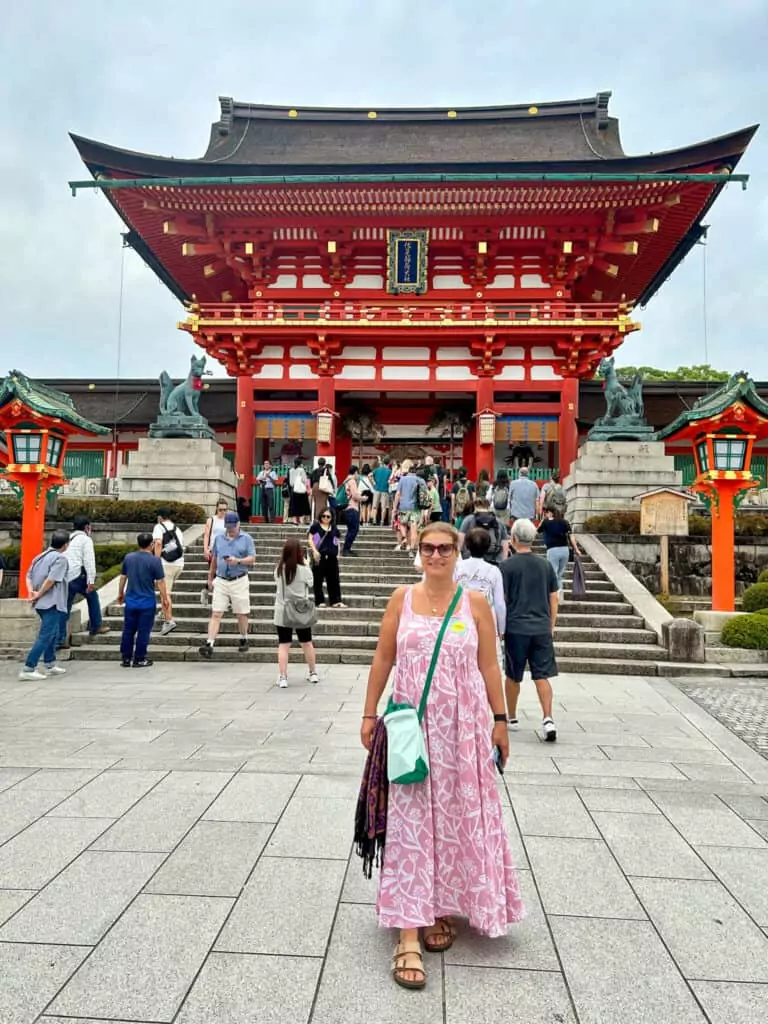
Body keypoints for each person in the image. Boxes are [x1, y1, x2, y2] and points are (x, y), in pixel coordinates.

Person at [360, 522, 524, 989]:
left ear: (457, 553)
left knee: (454, 818)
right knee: (411, 822)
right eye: (428, 548)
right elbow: (383, 659)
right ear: (418, 551)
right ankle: (407, 931)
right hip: (413, 729)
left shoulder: (475, 604)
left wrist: (500, 719)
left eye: (444, 548)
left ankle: (440, 906)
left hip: (464, 732)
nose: (435, 555)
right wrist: (370, 713)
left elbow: (490, 663)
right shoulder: (402, 599)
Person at [501, 518, 559, 740]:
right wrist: (551, 624)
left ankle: (513, 717)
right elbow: (554, 598)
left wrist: (500, 626)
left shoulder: (506, 566)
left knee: (513, 674)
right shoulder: (545, 565)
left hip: (516, 627)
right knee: (542, 675)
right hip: (541, 627)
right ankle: (548, 718)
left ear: (514, 539)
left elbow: (502, 599)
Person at [199, 511, 256, 659]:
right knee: (216, 612)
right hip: (222, 579)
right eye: (228, 526)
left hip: (239, 578)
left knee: (241, 612)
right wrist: (209, 578)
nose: (230, 529)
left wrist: (238, 560)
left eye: (233, 526)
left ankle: (244, 637)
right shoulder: (219, 539)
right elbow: (215, 559)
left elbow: (252, 559)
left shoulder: (246, 539)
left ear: (238, 524)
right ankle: (209, 643)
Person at [19, 531, 71, 681]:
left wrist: (32, 593)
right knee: (45, 635)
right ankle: (29, 667)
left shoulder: (39, 556)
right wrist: (39, 593)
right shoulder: (60, 559)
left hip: (41, 601)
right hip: (52, 601)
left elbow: (28, 576)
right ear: (66, 545)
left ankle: (50, 663)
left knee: (52, 632)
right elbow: (51, 580)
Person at [118, 533, 170, 668]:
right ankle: (139, 658)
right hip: (147, 602)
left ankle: (126, 658)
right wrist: (165, 598)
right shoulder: (154, 561)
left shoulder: (129, 558)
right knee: (143, 631)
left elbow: (123, 577)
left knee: (128, 630)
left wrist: (120, 593)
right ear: (151, 545)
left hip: (131, 600)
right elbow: (160, 582)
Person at [273, 536, 319, 688]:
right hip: (301, 610)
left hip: (283, 610)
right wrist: (307, 564)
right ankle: (313, 673)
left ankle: (283, 676)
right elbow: (311, 584)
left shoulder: (279, 569)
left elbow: (278, 585)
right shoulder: (304, 570)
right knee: (307, 642)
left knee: (284, 644)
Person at [59, 515, 109, 650]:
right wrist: (91, 581)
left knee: (65, 607)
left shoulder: (68, 539)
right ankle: (96, 626)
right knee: (92, 596)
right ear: (87, 527)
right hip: (78, 576)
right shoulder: (85, 540)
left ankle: (61, 639)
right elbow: (89, 561)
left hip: (65, 577)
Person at [454, 528, 506, 637]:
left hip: (460, 619)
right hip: (486, 619)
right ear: (488, 547)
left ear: (467, 545)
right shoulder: (494, 571)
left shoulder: (457, 567)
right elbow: (499, 603)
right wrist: (501, 629)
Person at [152, 508, 184, 637]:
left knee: (165, 593)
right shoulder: (177, 529)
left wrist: (155, 560)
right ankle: (163, 612)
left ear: (160, 517)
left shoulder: (158, 527)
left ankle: (169, 621)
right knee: (167, 590)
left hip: (166, 564)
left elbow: (158, 543)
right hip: (179, 564)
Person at [307, 509, 345, 608]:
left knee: (334, 579)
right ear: (320, 516)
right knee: (318, 579)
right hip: (320, 556)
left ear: (331, 517)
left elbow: (336, 540)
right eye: (324, 516)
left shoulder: (333, 528)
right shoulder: (315, 526)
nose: (325, 518)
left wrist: (338, 553)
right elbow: (310, 539)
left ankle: (336, 600)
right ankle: (319, 600)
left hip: (332, 556)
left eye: (328, 516)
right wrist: (314, 551)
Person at [539, 509, 580, 600]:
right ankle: (560, 595)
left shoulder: (546, 522)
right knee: (560, 574)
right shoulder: (565, 522)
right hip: (565, 550)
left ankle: (554, 597)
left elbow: (538, 530)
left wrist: (542, 520)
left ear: (550, 513)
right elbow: (571, 536)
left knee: (553, 573)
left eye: (546, 513)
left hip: (553, 550)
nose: (545, 514)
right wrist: (576, 549)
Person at [459, 497, 509, 565]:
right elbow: (505, 544)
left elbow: (460, 541)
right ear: (488, 507)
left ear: (475, 507)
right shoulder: (498, 521)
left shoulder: (468, 519)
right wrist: (504, 562)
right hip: (494, 560)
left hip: (471, 559)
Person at [391, 459, 421, 554]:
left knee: (402, 523)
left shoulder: (402, 479)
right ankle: (411, 549)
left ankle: (404, 537)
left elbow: (398, 494)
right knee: (413, 528)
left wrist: (394, 508)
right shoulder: (419, 480)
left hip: (403, 506)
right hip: (415, 508)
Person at [340, 465, 361, 557]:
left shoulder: (346, 480)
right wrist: (363, 498)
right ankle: (346, 549)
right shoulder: (352, 481)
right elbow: (355, 496)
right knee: (354, 529)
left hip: (346, 508)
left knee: (351, 529)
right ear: (355, 472)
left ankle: (346, 549)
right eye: (357, 473)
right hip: (352, 508)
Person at [288, 456, 311, 525]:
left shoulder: (290, 470)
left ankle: (294, 520)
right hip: (301, 490)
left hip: (294, 490)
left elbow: (290, 482)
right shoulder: (301, 470)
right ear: (300, 463)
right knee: (303, 505)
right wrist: (308, 487)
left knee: (294, 505)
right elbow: (304, 480)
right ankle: (301, 520)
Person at [371, 457, 392, 526]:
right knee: (384, 507)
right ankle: (382, 521)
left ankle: (374, 520)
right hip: (385, 490)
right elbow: (391, 480)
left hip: (377, 489)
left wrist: (373, 483)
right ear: (389, 463)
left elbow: (369, 475)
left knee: (375, 506)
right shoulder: (389, 471)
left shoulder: (377, 470)